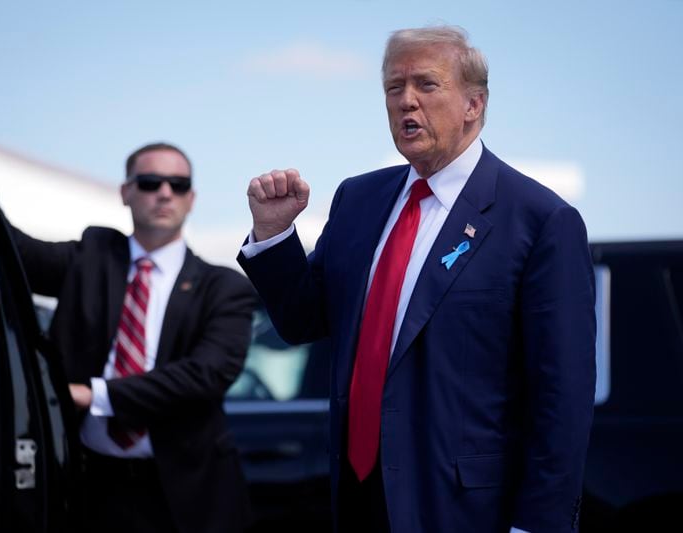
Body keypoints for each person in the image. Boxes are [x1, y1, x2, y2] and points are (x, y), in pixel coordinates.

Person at [237, 25, 595, 533]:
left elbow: (563, 394)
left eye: (427, 85)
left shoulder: (539, 220)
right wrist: (274, 235)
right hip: (359, 497)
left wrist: (540, 523)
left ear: (474, 103)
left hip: (466, 509)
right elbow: (302, 321)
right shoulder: (358, 199)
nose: (406, 102)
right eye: (393, 87)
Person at [0, 125, 256, 533]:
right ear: (126, 192)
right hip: (92, 486)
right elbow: (10, 252)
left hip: (188, 494)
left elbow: (206, 375)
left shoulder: (224, 287)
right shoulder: (92, 258)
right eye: (150, 182)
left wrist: (92, 395)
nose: (165, 193)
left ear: (192, 198)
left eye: (178, 184)